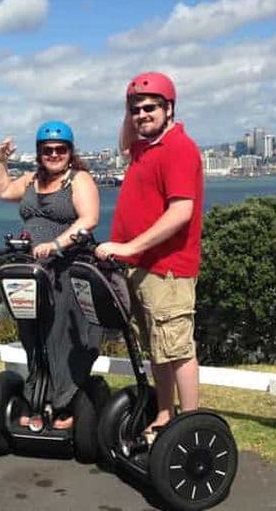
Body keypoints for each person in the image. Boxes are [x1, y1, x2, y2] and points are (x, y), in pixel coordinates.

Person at [95, 72, 203, 440]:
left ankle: (190, 425)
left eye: (150, 107)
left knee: (177, 348)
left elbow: (181, 211)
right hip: (141, 268)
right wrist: (129, 106)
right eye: (136, 109)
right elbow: (126, 143)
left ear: (169, 108)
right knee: (157, 347)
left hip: (167, 270)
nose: (142, 114)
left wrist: (129, 247)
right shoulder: (146, 147)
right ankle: (164, 413)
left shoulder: (178, 148)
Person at [0, 121, 101, 430]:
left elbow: (89, 219)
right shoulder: (31, 180)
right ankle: (36, 396)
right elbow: (3, 191)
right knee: (31, 334)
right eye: (47, 150)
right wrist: (2, 161)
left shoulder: (78, 180)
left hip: (66, 267)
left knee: (59, 335)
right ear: (40, 153)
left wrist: (56, 244)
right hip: (33, 272)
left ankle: (65, 402)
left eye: (60, 149)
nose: (54, 154)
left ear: (70, 151)